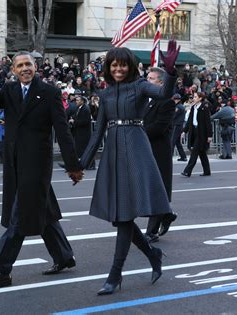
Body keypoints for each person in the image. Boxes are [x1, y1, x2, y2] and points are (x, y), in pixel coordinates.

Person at [78, 40, 180, 295]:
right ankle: (152, 253)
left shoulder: (140, 85)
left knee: (124, 217)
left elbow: (164, 94)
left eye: (123, 64)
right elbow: (98, 130)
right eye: (114, 64)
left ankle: (115, 274)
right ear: (108, 67)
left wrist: (170, 73)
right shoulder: (106, 93)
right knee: (120, 218)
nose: (118, 69)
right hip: (113, 151)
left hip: (135, 148)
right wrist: (80, 164)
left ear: (130, 67)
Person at [0, 51, 83, 289]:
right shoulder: (10, 91)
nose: (24, 68)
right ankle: (64, 256)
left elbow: (62, 131)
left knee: (20, 217)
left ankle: (2, 270)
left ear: (36, 67)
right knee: (43, 211)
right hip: (14, 163)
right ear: (13, 70)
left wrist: (73, 165)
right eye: (20, 65)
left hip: (37, 164)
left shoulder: (50, 92)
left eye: (28, 64)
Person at [143, 67, 178, 243]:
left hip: (158, 152)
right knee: (149, 190)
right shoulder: (147, 101)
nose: (147, 81)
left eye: (151, 78)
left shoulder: (166, 102)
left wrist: (136, 131)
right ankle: (167, 214)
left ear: (161, 83)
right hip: (145, 150)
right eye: (147, 77)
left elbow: (159, 127)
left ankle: (151, 231)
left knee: (157, 190)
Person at [181, 92, 213, 177]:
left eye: (195, 97)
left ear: (200, 98)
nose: (193, 98)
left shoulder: (204, 108)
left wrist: (210, 135)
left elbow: (208, 123)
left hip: (201, 133)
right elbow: (189, 121)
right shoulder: (193, 108)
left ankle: (187, 171)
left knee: (194, 151)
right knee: (202, 152)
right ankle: (207, 171)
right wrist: (184, 131)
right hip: (194, 131)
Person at [171, 93, 187, 162]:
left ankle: (169, 157)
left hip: (176, 125)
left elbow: (173, 116)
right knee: (177, 142)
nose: (174, 100)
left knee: (172, 142)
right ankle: (183, 156)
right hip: (179, 125)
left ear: (177, 100)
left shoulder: (178, 107)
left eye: (174, 99)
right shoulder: (180, 106)